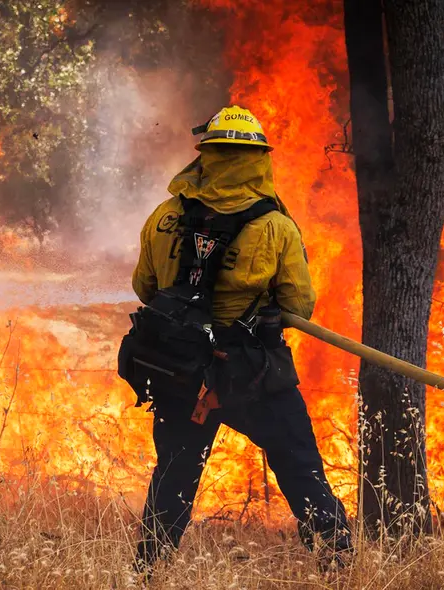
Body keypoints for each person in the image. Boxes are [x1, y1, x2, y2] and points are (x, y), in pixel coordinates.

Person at [124, 106, 352, 575]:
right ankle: (340, 567)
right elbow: (299, 304)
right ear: (259, 159)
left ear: (205, 156)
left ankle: (147, 571)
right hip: (248, 372)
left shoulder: (164, 216)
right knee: (299, 465)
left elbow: (145, 288)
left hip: (178, 370)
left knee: (174, 475)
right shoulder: (275, 227)